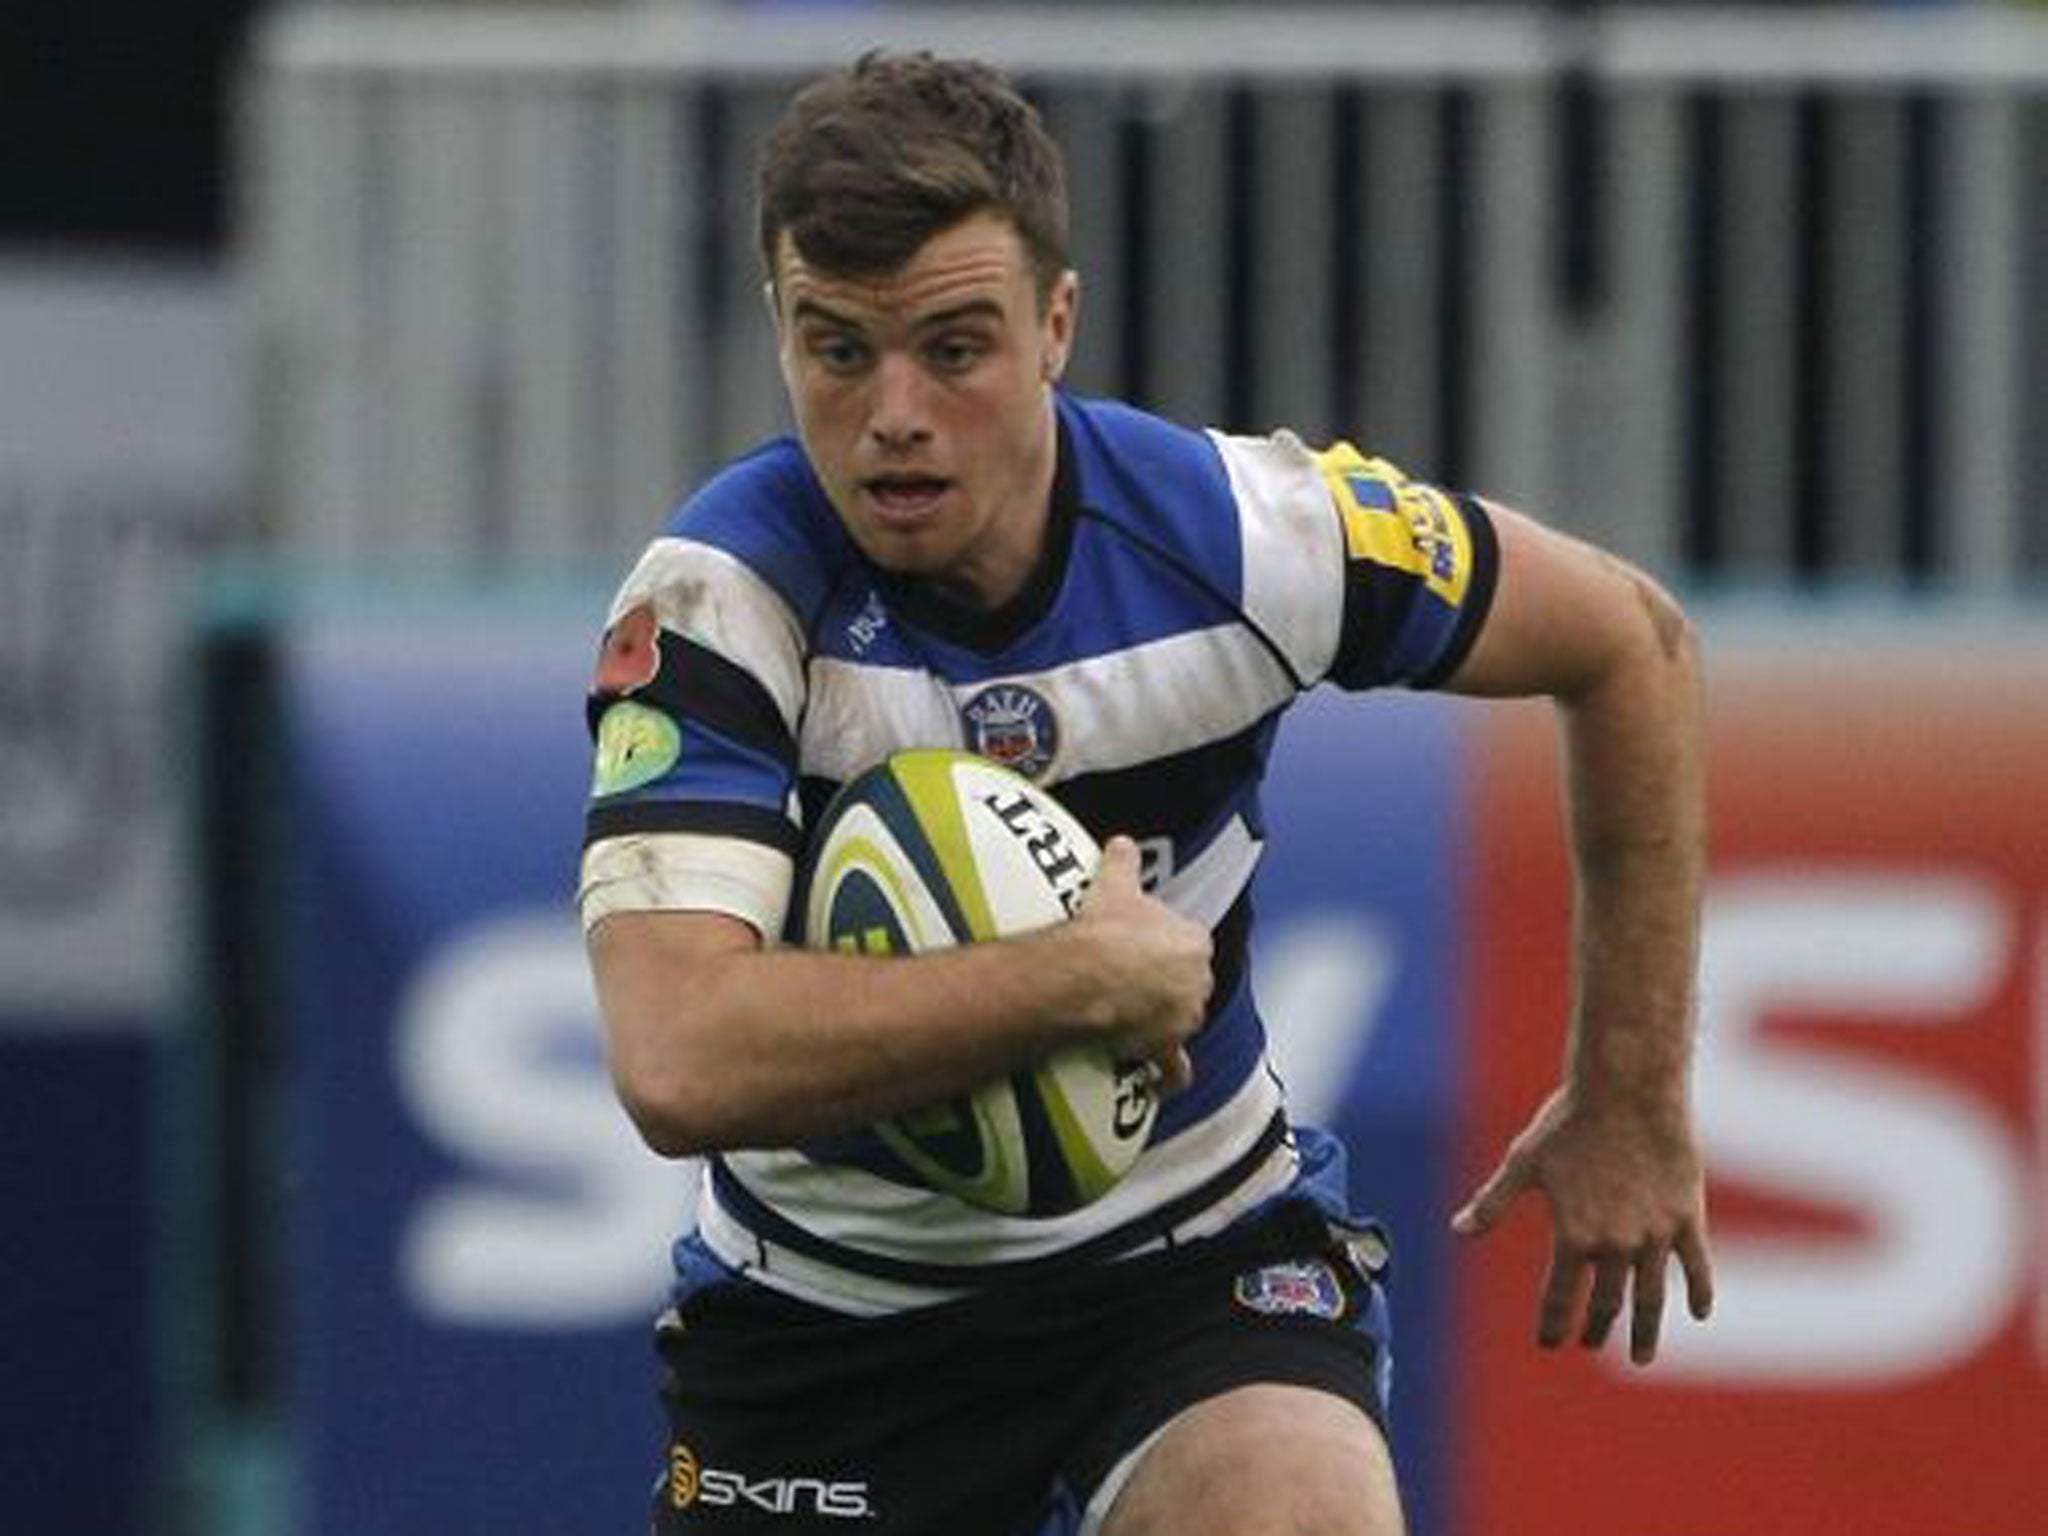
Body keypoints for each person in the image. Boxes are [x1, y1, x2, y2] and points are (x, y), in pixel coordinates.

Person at [579, 51, 1712, 1536]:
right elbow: (676, 1057)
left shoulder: (1248, 539)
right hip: (827, 1321)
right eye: (837, 349)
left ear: (1058, 324)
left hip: (1192, 1258)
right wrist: (1075, 982)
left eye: (956, 347)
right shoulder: (719, 604)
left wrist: (1632, 1092)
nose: (894, 414)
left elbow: (1630, 641)